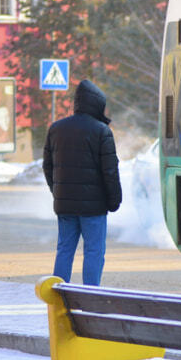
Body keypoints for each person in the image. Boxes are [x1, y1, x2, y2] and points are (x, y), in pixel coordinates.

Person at [43, 79, 121, 285]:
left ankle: (58, 294)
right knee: (94, 251)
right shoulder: (101, 131)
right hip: (94, 208)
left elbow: (47, 166)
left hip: (65, 205)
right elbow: (110, 171)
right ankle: (90, 295)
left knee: (64, 250)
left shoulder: (56, 128)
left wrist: (58, 192)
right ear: (96, 104)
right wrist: (114, 201)